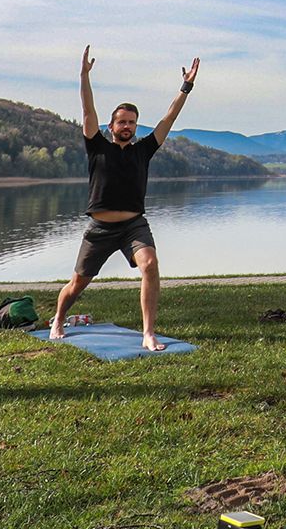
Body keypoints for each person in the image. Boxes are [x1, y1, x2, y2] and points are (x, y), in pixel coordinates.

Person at [51, 45, 200, 349]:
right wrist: (84, 76)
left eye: (132, 122)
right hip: (99, 229)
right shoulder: (97, 146)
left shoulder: (144, 150)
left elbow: (168, 119)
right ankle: (57, 318)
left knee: (150, 265)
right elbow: (87, 110)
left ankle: (148, 332)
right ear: (112, 125)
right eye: (122, 122)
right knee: (78, 283)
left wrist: (186, 87)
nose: (127, 126)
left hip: (133, 225)